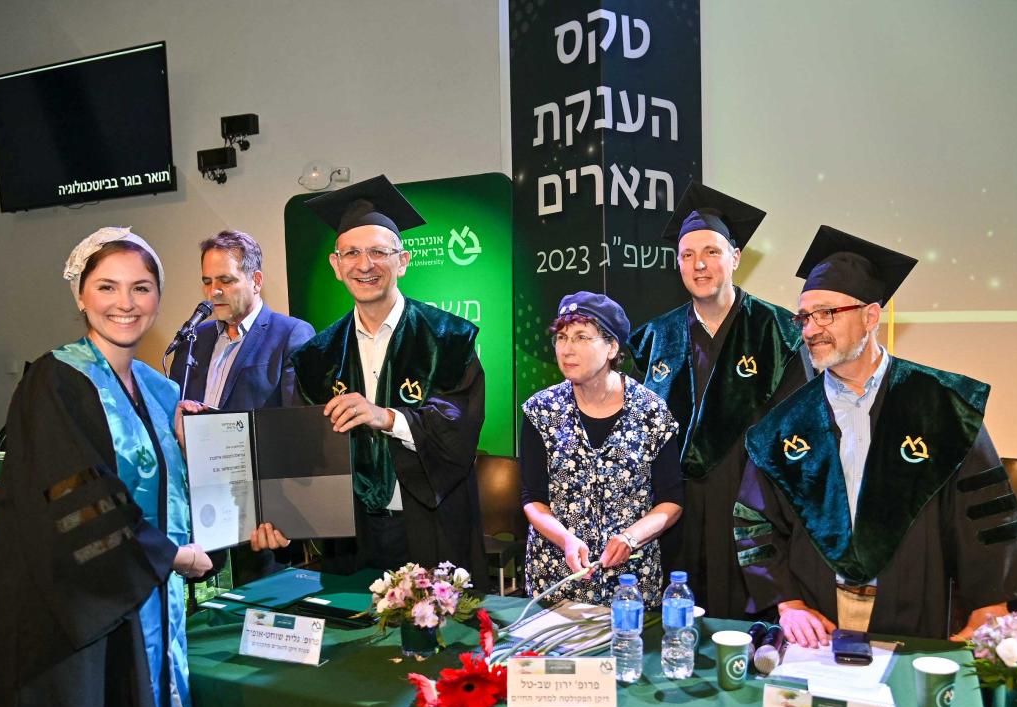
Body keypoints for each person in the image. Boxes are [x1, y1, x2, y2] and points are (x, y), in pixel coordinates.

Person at [0, 227, 212, 707]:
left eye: (142, 287)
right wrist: (170, 555)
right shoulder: (54, 381)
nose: (125, 303)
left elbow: (172, 495)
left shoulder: (160, 390)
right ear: (80, 296)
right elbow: (76, 499)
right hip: (79, 621)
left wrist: (196, 454)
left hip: (145, 610)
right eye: (107, 287)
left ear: (159, 297)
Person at [734, 226, 1017, 645]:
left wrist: (990, 605)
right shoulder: (784, 425)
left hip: (912, 607)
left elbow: (984, 514)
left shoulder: (942, 405)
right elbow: (754, 521)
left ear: (871, 316)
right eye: (804, 317)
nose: (810, 329)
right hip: (817, 622)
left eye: (826, 313)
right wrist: (788, 602)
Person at [251, 175, 487, 585]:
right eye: (352, 253)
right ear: (336, 265)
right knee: (350, 623)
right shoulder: (315, 357)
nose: (365, 265)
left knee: (438, 623)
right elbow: (305, 452)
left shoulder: (449, 339)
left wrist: (389, 418)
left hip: (430, 526)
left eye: (379, 252)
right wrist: (282, 515)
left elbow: (460, 426)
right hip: (352, 535)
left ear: (403, 261)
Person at [629, 182, 807, 618]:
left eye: (711, 251)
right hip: (676, 509)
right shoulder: (655, 337)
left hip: (751, 505)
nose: (699, 264)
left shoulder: (777, 331)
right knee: (676, 619)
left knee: (748, 626)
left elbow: (797, 430)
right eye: (687, 255)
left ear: (735, 257)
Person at [169, 229, 315, 583]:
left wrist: (282, 515)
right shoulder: (193, 340)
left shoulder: (290, 334)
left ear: (256, 280)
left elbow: (296, 432)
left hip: (260, 518)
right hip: (198, 514)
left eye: (226, 280)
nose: (213, 292)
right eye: (207, 282)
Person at [521, 292, 682, 607]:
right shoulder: (541, 410)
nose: (567, 349)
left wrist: (630, 538)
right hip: (556, 577)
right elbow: (533, 498)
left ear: (612, 347)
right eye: (562, 337)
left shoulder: (651, 411)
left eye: (582, 337)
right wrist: (566, 540)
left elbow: (671, 501)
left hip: (630, 582)